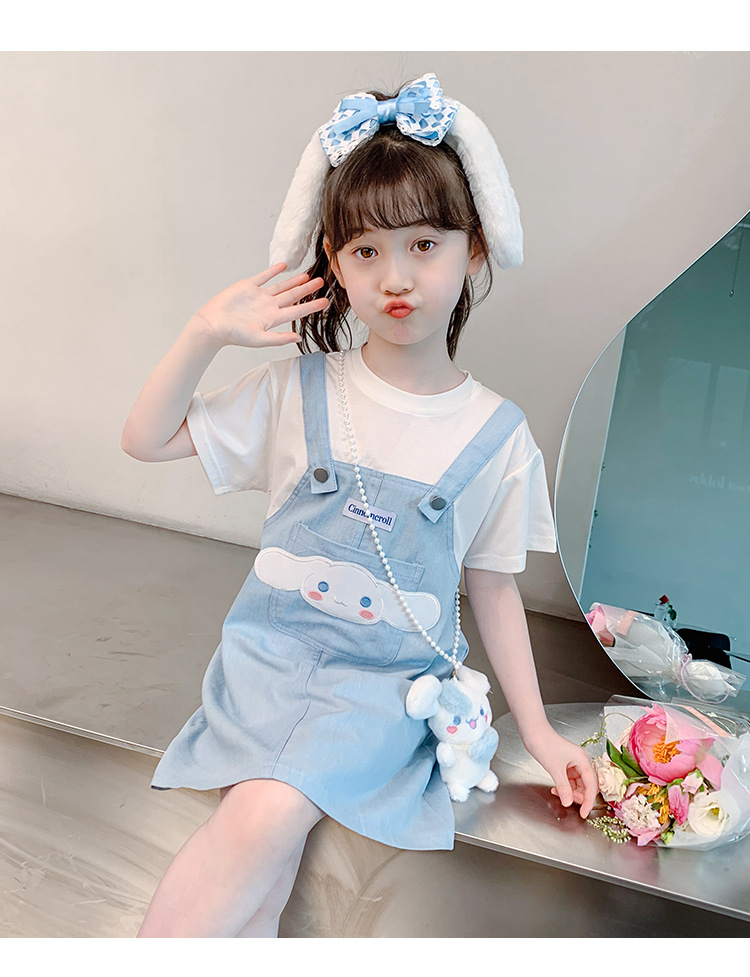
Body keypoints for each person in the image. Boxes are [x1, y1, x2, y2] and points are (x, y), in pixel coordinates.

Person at [121, 73, 597, 939]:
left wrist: (538, 732)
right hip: (269, 662)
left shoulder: (498, 436)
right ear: (334, 264)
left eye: (424, 243)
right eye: (366, 251)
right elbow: (145, 440)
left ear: (474, 250)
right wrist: (205, 331)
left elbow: (492, 588)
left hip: (386, 691)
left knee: (267, 815)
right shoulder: (296, 389)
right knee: (263, 870)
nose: (396, 277)